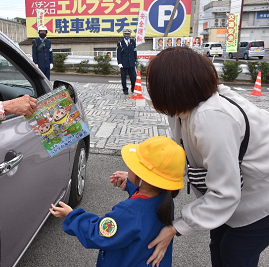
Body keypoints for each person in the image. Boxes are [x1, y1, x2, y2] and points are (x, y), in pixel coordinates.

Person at [142, 47, 269, 267]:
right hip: (238, 191)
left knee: (234, 254)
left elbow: (225, 193)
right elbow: (177, 154)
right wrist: (141, 175)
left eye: (153, 85)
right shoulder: (182, 109)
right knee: (218, 244)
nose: (151, 90)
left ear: (171, 88)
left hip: (261, 198)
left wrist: (176, 227)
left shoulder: (211, 118)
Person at [50, 136, 186, 267]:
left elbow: (97, 233)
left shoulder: (127, 212)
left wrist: (71, 215)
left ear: (140, 175)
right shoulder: (165, 199)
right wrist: (131, 183)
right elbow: (146, 198)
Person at [116, 28, 137, 95]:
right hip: (123, 63)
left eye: (128, 34)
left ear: (130, 34)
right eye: (125, 34)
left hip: (131, 62)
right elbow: (118, 54)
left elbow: (135, 51)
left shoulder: (132, 42)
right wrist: (119, 63)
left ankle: (133, 88)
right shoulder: (120, 43)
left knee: (133, 77)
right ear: (123, 34)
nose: (126, 35)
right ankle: (125, 89)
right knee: (123, 77)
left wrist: (135, 60)